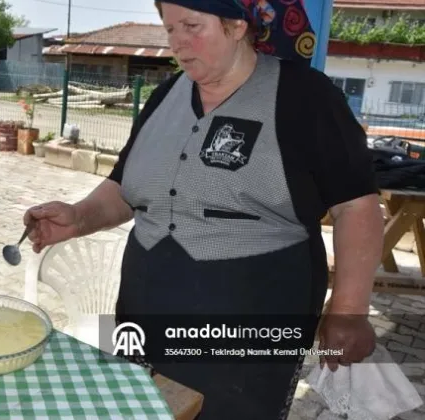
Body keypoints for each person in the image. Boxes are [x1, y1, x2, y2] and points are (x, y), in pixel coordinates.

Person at [24, 0, 384, 418]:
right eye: (169, 28)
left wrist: (349, 311)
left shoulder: (306, 97)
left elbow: (357, 206)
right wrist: (79, 216)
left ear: (236, 26)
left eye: (192, 26)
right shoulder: (164, 95)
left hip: (251, 325)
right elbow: (125, 185)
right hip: (142, 306)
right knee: (134, 408)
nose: (178, 42)